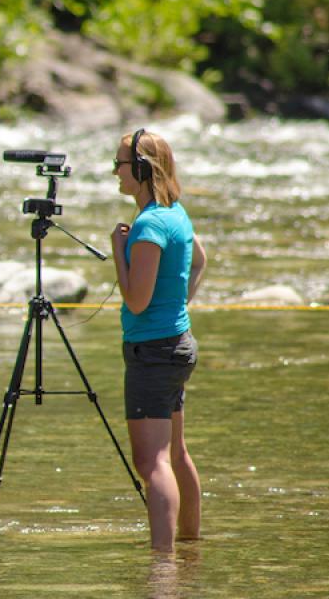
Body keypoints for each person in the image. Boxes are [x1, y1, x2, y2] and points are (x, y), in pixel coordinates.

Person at [111, 128, 206, 552]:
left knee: (152, 462)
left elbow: (136, 301)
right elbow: (200, 260)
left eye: (119, 164)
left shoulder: (149, 225)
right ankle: (189, 545)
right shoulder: (175, 213)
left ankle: (163, 567)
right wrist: (177, 305)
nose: (115, 172)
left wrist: (119, 250)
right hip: (176, 344)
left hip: (153, 353)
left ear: (141, 169)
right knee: (176, 452)